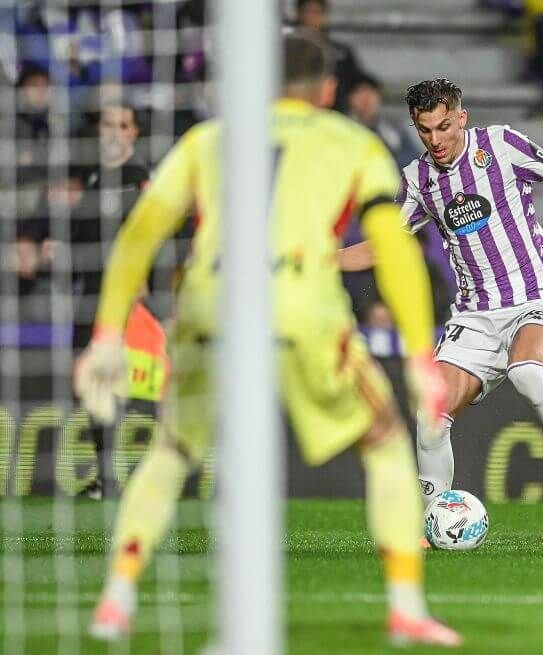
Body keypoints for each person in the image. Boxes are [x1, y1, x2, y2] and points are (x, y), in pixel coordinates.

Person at [77, 32, 460, 647]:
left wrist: (105, 334)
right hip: (303, 306)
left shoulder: (209, 139)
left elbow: (140, 233)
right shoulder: (353, 143)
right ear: (327, 90)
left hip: (212, 304)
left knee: (172, 450)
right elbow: (393, 247)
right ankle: (406, 607)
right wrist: (419, 352)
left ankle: (117, 597)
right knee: (386, 443)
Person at [340, 78, 543, 532]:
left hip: (534, 295)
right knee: (430, 411)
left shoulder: (502, 145)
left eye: (444, 126)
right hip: (475, 313)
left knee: (526, 371)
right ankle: (433, 520)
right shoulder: (418, 180)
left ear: (461, 118)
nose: (436, 140)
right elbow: (381, 246)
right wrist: (322, 260)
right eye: (425, 130)